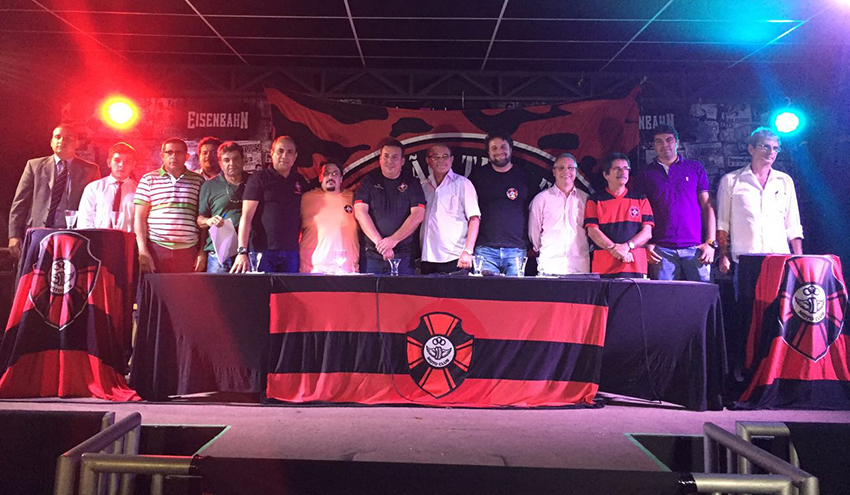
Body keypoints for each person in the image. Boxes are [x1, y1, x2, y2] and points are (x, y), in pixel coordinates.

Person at [632, 124, 716, 282]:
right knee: (664, 296)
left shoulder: (694, 168)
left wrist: (710, 243)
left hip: (696, 247)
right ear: (653, 145)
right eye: (659, 141)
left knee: (702, 295)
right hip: (660, 249)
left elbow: (707, 206)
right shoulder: (645, 174)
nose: (664, 145)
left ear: (677, 142)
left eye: (669, 140)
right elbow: (640, 213)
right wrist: (646, 244)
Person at [716, 127, 803, 275]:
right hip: (745, 258)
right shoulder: (731, 180)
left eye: (775, 148)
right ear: (751, 149)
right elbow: (722, 223)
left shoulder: (784, 181)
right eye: (765, 146)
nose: (771, 152)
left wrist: (799, 257)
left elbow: (792, 223)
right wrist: (723, 255)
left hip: (779, 257)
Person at [8, 124, 100, 258]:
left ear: (77, 144)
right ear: (51, 142)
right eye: (58, 137)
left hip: (74, 236)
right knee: (36, 270)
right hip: (37, 232)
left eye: (68, 138)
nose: (62, 141)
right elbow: (20, 203)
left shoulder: (90, 170)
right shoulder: (34, 166)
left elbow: (95, 208)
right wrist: (14, 235)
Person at [232, 136, 308, 273]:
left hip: (291, 251)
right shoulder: (259, 178)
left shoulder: (299, 180)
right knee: (262, 287)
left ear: (295, 156)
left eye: (290, 152)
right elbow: (246, 217)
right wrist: (242, 251)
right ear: (272, 153)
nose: (285, 156)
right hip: (263, 251)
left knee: (290, 288)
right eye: (280, 151)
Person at [470, 131, 539, 276]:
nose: (499, 151)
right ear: (488, 152)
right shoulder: (478, 176)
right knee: (483, 291)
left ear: (510, 149)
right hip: (485, 249)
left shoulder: (525, 176)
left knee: (514, 291)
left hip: (516, 249)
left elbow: (536, 211)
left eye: (503, 147)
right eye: (494, 148)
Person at [354, 138, 425, 275]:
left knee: (404, 290)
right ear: (380, 159)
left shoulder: (412, 182)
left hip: (403, 256)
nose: (389, 161)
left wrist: (393, 240)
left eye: (395, 157)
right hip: (372, 256)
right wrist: (380, 244)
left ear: (402, 161)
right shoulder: (369, 180)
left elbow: (418, 214)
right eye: (386, 156)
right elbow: (360, 212)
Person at [134, 138, 205, 273]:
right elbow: (139, 218)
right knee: (155, 287)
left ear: (186, 156)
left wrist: (202, 251)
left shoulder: (198, 180)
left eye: (179, 152)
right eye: (169, 152)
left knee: (186, 287)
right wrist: (142, 250)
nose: (174, 156)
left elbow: (203, 218)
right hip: (156, 248)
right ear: (162, 155)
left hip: (189, 250)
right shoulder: (148, 179)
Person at [584, 153, 654, 278]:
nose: (623, 172)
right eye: (617, 168)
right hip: (604, 266)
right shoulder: (595, 200)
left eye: (626, 168)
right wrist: (615, 250)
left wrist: (627, 247)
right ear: (606, 175)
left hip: (635, 264)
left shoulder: (640, 199)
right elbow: (593, 232)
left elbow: (647, 232)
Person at [419, 144, 481, 274]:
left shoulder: (463, 183)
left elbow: (474, 219)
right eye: (436, 157)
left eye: (445, 156)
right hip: (428, 257)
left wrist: (468, 251)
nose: (441, 160)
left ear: (451, 159)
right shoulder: (423, 187)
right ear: (428, 161)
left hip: (455, 257)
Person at [528, 153, 590, 275]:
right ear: (554, 172)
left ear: (576, 172)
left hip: (580, 266)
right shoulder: (541, 199)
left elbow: (591, 231)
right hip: (550, 266)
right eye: (561, 168)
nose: (566, 171)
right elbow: (534, 234)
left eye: (570, 168)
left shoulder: (585, 199)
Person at [299, 162, 359, 273]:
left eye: (335, 173)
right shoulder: (306, 198)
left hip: (346, 270)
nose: (330, 176)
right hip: (313, 270)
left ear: (341, 179)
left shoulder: (353, 198)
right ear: (320, 177)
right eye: (326, 173)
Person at [197, 141, 248, 273]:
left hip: (248, 250)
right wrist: (209, 220)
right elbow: (199, 219)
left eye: (236, 159)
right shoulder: (209, 186)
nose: (231, 163)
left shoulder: (254, 182)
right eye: (226, 160)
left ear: (243, 160)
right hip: (219, 250)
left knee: (249, 287)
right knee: (218, 287)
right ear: (220, 163)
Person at [77, 142, 137, 232]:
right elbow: (84, 220)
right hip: (97, 238)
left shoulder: (139, 191)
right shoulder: (93, 188)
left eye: (127, 162)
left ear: (133, 165)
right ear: (109, 163)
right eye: (117, 160)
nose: (121, 165)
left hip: (128, 239)